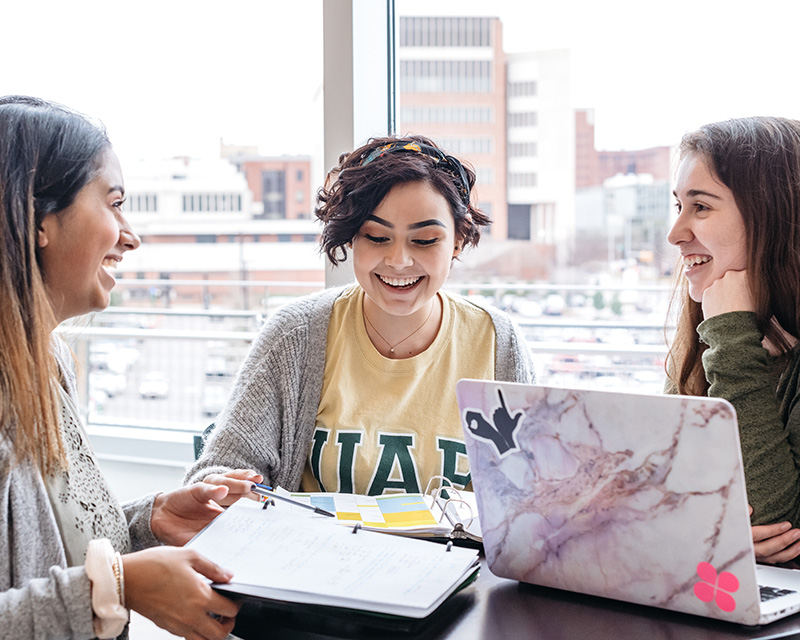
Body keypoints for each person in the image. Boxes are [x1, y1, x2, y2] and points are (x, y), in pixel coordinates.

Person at [0, 95, 240, 639]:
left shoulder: (47, 360)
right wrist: (116, 588)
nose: (129, 236)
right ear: (40, 220)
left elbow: (54, 552)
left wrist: (149, 524)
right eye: (113, 204)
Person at [186, 135, 535, 500]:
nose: (399, 261)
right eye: (376, 237)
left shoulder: (497, 342)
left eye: (425, 240)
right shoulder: (297, 335)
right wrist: (224, 487)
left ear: (458, 242)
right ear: (352, 238)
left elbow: (534, 492)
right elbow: (221, 467)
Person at [665, 116, 800, 562]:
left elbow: (776, 526)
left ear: (775, 216)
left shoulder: (728, 336)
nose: (676, 234)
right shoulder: (704, 336)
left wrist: (733, 335)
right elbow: (667, 495)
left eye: (700, 207)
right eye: (678, 206)